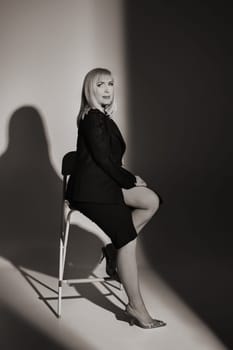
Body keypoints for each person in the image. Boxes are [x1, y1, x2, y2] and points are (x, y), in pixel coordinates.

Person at [66, 67, 166, 329]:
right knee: (128, 238)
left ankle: (113, 252)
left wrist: (128, 179)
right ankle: (136, 307)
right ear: (90, 89)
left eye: (110, 84)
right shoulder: (91, 118)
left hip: (105, 185)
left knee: (151, 201)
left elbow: (108, 161)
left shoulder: (104, 118)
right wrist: (130, 179)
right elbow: (102, 159)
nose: (108, 89)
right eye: (101, 85)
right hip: (90, 192)